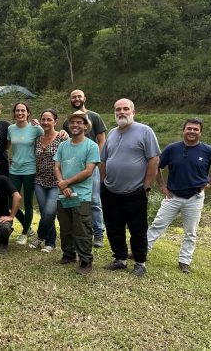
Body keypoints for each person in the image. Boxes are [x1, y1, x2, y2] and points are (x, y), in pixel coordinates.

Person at [147, 118, 211, 273]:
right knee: (157, 225)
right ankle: (141, 252)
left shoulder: (208, 150)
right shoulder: (172, 149)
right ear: (183, 130)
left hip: (194, 198)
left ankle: (184, 261)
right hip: (172, 197)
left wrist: (209, 183)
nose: (192, 131)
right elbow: (157, 167)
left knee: (191, 232)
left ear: (200, 133)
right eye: (189, 128)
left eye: (196, 129)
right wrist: (162, 185)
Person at [100, 98, 160, 276]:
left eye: (126, 109)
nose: (122, 112)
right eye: (118, 109)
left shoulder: (145, 131)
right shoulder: (111, 133)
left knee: (137, 229)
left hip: (135, 191)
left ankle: (140, 262)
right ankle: (120, 258)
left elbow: (154, 159)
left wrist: (147, 185)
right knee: (113, 227)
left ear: (133, 112)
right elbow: (104, 160)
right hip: (110, 191)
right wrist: (102, 181)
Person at [54, 111, 100, 275]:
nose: (75, 125)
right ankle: (68, 255)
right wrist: (62, 184)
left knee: (82, 229)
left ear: (85, 126)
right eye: (72, 122)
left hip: (81, 197)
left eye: (79, 122)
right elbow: (57, 167)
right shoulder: (62, 145)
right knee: (65, 227)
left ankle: (86, 261)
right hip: (64, 194)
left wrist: (67, 182)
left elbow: (88, 171)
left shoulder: (91, 146)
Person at [62, 89, 107, 248]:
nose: (76, 99)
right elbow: (66, 139)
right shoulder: (70, 120)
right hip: (72, 165)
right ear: (70, 99)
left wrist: (97, 161)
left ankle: (98, 233)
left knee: (94, 200)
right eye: (73, 97)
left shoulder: (94, 116)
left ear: (84, 98)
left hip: (91, 165)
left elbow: (102, 139)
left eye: (79, 96)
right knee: (73, 198)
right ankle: (76, 232)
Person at [29, 109, 69, 252]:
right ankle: (50, 243)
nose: (46, 122)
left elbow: (70, 156)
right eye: (43, 119)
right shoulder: (37, 139)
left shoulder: (62, 137)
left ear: (55, 121)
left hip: (56, 182)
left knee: (50, 211)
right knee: (45, 211)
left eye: (49, 119)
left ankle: (40, 237)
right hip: (39, 180)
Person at [7, 101, 44, 245]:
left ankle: (24, 233)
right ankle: (27, 226)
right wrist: (11, 158)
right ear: (14, 113)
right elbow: (9, 146)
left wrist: (39, 124)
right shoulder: (11, 128)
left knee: (28, 202)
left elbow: (49, 136)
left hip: (30, 169)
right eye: (17, 111)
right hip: (14, 169)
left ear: (28, 113)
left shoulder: (35, 129)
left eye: (23, 111)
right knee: (12, 202)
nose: (20, 113)